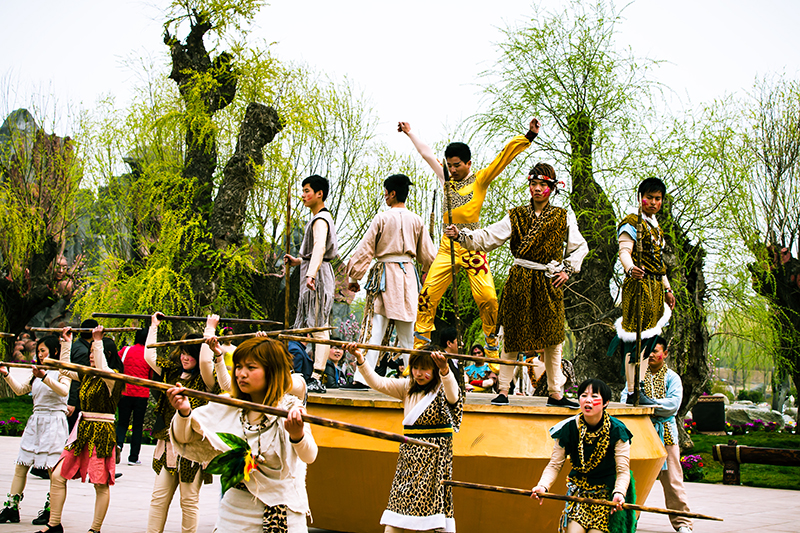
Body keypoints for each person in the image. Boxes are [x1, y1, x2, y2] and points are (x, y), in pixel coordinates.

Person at [446, 163, 588, 407]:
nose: (537, 189)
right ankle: (503, 390)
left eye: (542, 184)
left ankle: (555, 393)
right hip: (520, 279)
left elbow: (580, 247)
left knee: (553, 337)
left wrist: (567, 269)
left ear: (552, 188)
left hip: (548, 281)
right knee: (512, 335)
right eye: (534, 184)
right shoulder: (516, 216)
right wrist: (461, 235)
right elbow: (489, 236)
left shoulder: (564, 216)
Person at [398, 119, 540, 357]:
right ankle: (420, 349)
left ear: (468, 164)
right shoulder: (446, 179)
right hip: (447, 248)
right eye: (449, 166)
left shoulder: (480, 180)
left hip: (473, 245)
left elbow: (503, 158)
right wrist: (410, 133)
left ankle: (492, 345)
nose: (452, 170)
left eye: (456, 166)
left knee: (488, 297)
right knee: (427, 295)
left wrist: (528, 136)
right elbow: (426, 154)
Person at [168, 336, 317, 532]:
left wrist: (297, 435)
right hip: (235, 514)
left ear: (272, 371)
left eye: (251, 367)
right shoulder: (227, 406)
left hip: (285, 512)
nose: (241, 374)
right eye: (238, 367)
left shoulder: (290, 408)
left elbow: (309, 456)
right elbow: (184, 437)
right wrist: (184, 412)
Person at [345, 342, 462, 533]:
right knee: (396, 513)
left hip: (435, 464)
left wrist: (445, 370)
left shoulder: (444, 388)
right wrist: (360, 359)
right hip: (408, 462)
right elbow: (378, 382)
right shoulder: (408, 387)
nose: (418, 373)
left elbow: (453, 396)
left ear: (434, 370)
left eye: (424, 369)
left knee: (435, 517)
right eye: (415, 368)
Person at [346, 173, 436, 388]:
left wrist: (354, 277)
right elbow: (429, 255)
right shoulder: (417, 220)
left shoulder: (382, 218)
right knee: (408, 334)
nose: (385, 196)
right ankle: (416, 378)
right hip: (408, 278)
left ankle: (362, 378)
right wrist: (428, 273)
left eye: (386, 192)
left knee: (375, 329)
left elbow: (366, 249)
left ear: (392, 193)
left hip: (384, 276)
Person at [144, 313, 230, 533]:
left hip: (193, 448)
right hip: (168, 445)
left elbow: (205, 361)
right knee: (159, 498)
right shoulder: (171, 373)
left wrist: (209, 329)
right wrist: (154, 326)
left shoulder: (206, 380)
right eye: (183, 353)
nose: (185, 358)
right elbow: (149, 356)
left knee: (189, 501)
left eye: (189, 354)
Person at [38, 326, 125, 533]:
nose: (91, 356)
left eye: (94, 352)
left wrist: (97, 341)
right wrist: (67, 343)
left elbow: (103, 369)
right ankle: (54, 524)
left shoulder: (113, 377)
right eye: (91, 352)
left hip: (102, 431)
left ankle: (95, 529)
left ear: (106, 353)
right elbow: (64, 369)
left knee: (100, 484)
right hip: (82, 429)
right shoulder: (88, 375)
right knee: (58, 475)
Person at [531, 378, 636, 533]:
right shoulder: (568, 428)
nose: (588, 400)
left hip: (607, 497)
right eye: (584, 395)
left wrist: (619, 492)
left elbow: (623, 470)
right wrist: (542, 486)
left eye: (594, 396)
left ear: (606, 403)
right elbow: (554, 465)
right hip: (580, 496)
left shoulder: (618, 430)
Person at [609, 178, 675, 405]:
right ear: (640, 198)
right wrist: (630, 269)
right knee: (635, 339)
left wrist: (667, 288)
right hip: (638, 286)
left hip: (655, 288)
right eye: (649, 197)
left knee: (649, 341)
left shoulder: (656, 227)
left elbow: (659, 264)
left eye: (658, 198)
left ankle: (640, 387)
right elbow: (624, 252)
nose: (653, 202)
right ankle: (632, 390)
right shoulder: (631, 223)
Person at [621, 337, 692, 533]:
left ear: (665, 354)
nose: (651, 355)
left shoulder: (672, 378)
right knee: (633, 480)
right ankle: (629, 521)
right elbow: (625, 398)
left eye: (655, 351)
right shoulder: (636, 375)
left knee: (673, 481)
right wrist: (644, 403)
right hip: (641, 434)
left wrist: (646, 403)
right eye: (648, 351)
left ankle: (683, 523)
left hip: (665, 434)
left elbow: (673, 405)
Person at [0, 334, 70, 526]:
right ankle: (11, 507)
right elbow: (20, 390)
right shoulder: (37, 372)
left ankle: (51, 510)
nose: (39, 354)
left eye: (43, 350)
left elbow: (64, 391)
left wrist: (45, 377)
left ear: (54, 351)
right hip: (36, 421)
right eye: (38, 351)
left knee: (53, 469)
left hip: (54, 421)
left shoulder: (63, 371)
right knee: (21, 465)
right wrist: (6, 374)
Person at [284, 175, 339, 394]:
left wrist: (311, 273)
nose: (303, 195)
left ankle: (316, 376)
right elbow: (314, 252)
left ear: (319, 194)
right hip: (317, 271)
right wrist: (299, 262)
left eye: (307, 190)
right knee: (315, 325)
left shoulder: (320, 220)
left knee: (318, 326)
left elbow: (319, 248)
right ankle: (313, 374)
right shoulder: (319, 218)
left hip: (319, 275)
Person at [115, 327, 151, 466]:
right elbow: (151, 374)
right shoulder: (148, 354)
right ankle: (133, 457)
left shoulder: (126, 350)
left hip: (125, 392)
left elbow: (117, 364)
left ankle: (118, 446)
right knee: (137, 426)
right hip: (142, 394)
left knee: (122, 423)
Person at [67, 319, 98, 431]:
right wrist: (72, 402)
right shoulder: (83, 352)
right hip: (77, 398)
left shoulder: (77, 345)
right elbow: (77, 377)